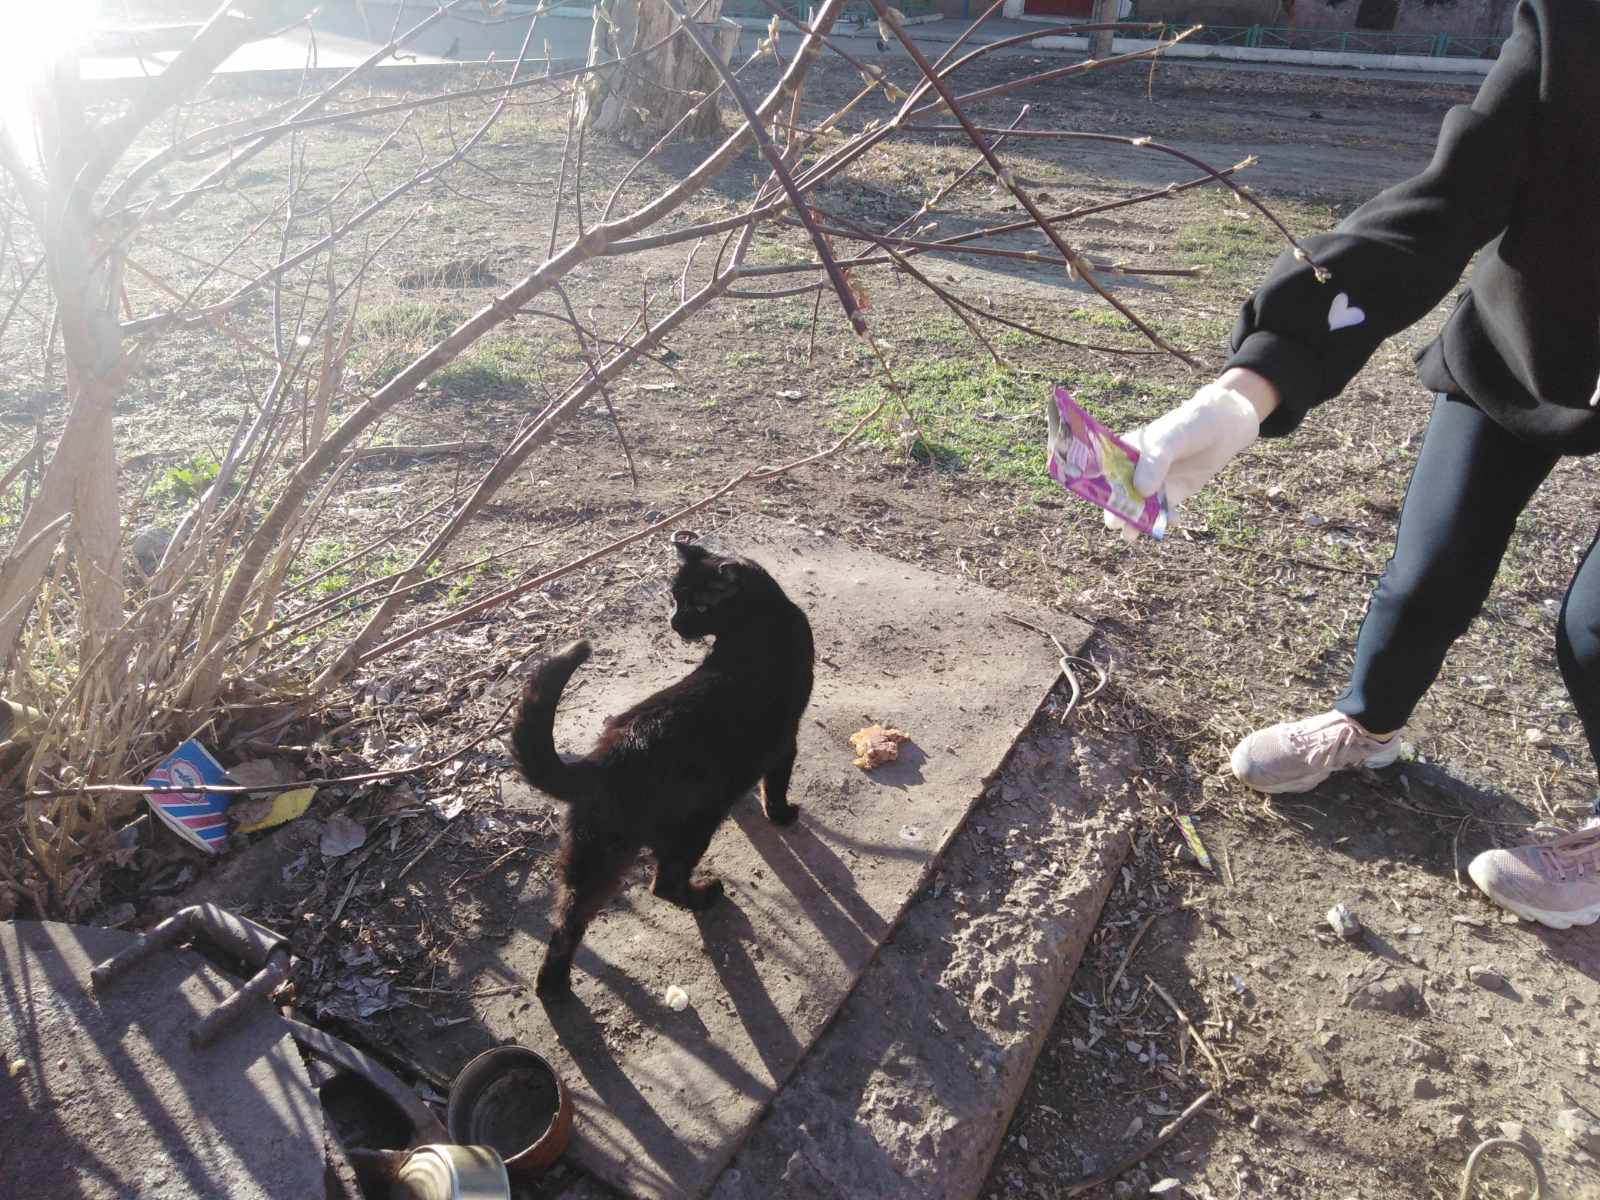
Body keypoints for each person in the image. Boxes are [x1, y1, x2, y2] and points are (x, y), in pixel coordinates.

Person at [1104, 0, 1600, 930]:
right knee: (1426, 571)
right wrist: (1247, 389)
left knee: (1596, 629)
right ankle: (1368, 727)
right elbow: (1446, 199)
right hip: (1524, 341)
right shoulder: (1576, 23)